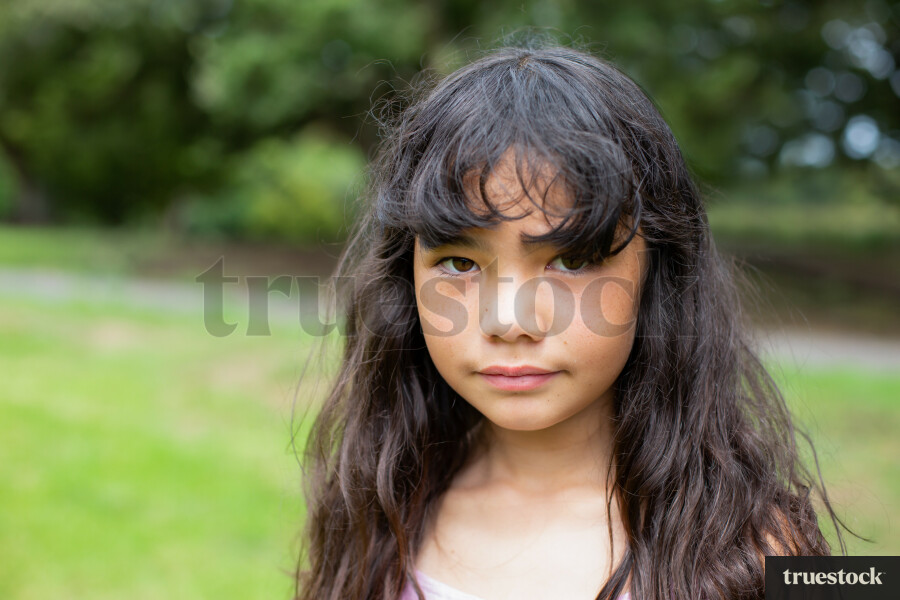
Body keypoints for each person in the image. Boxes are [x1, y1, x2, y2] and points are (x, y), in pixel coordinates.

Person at [292, 45, 846, 600]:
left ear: (657, 273)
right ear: (406, 279)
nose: (509, 321)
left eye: (573, 260)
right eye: (459, 264)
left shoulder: (763, 549)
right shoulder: (380, 508)